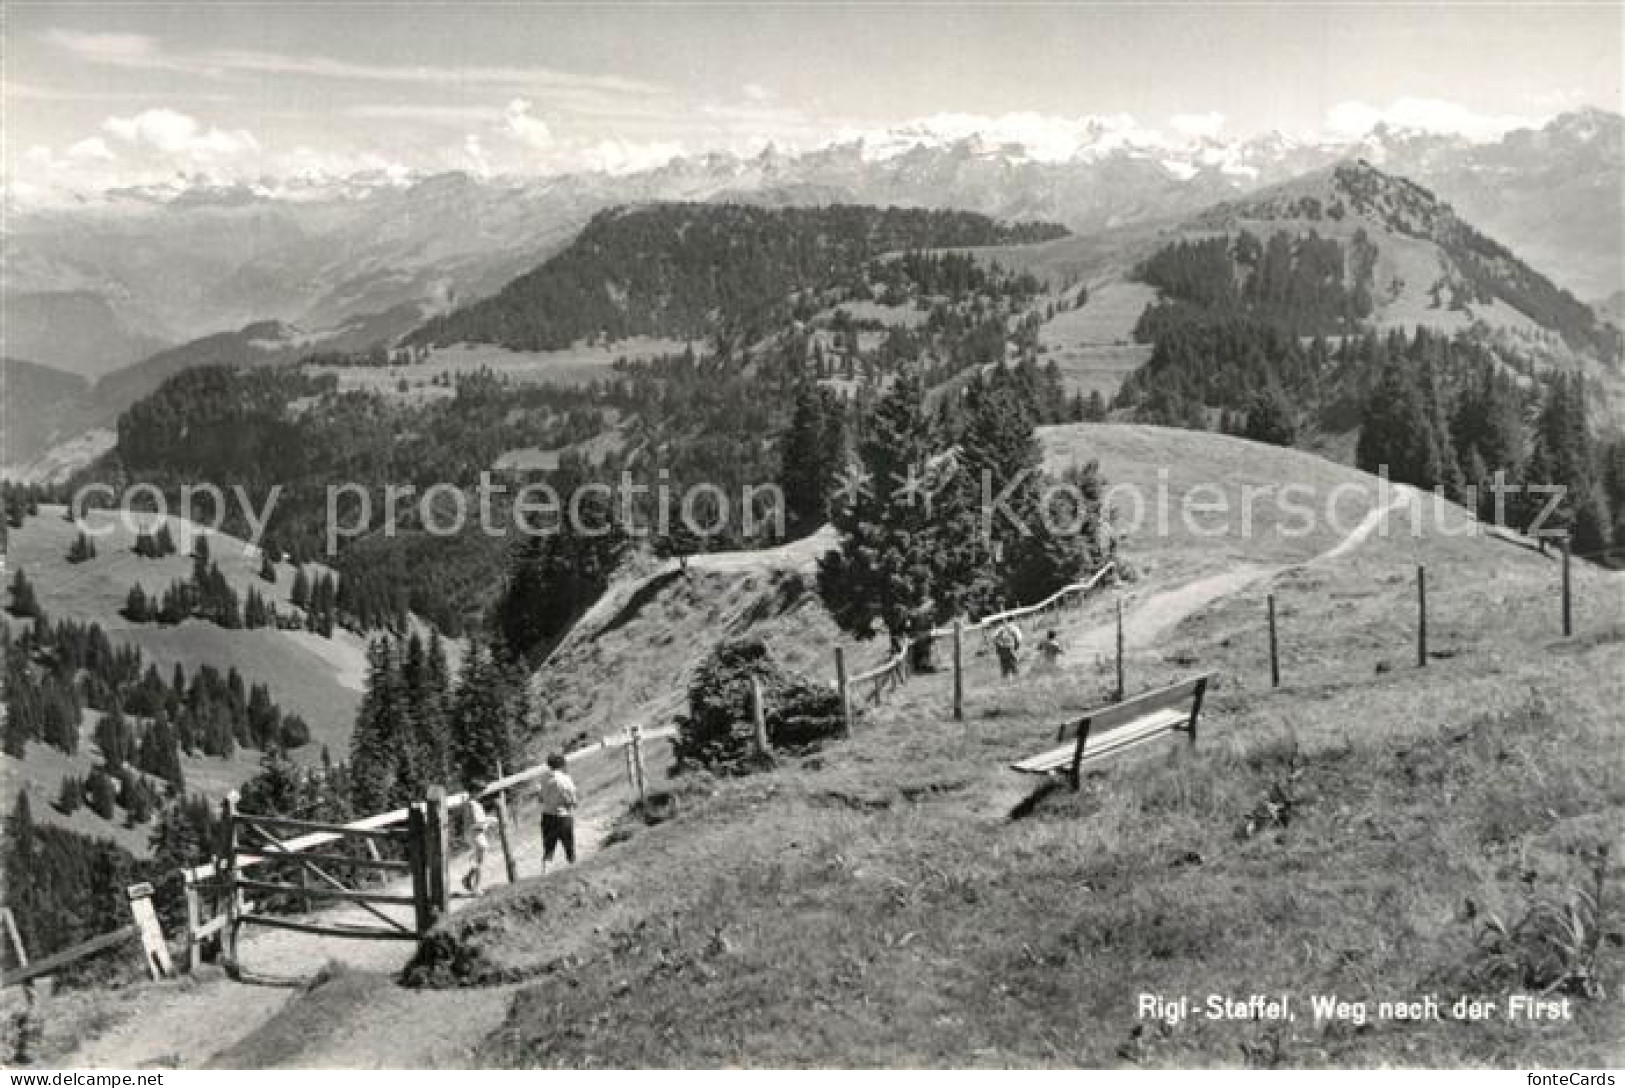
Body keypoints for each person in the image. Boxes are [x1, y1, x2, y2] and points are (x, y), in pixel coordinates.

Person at [538, 753, 578, 873]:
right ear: (562, 764)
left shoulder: (543, 778)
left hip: (547, 816)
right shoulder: (565, 778)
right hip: (563, 816)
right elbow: (571, 797)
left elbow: (540, 798)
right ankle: (574, 870)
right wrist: (573, 803)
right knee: (569, 847)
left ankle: (544, 873)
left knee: (549, 848)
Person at [461, 797, 495, 896]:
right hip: (476, 834)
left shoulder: (470, 803)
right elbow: (477, 823)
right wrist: (490, 821)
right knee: (481, 862)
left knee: (480, 860)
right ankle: (477, 888)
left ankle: (467, 879)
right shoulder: (473, 804)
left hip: (474, 834)